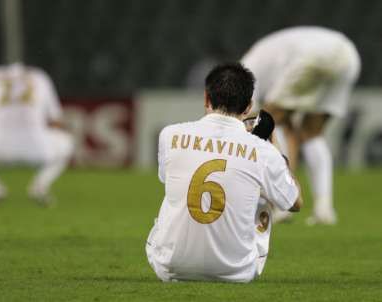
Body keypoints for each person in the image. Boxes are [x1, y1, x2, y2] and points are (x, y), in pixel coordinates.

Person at [146, 63, 303, 283]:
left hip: (168, 267)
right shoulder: (262, 150)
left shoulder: (169, 135)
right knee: (260, 187)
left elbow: (166, 178)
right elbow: (294, 203)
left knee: (174, 191)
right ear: (248, 107)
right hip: (236, 272)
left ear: (206, 99)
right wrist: (275, 150)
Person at [241, 26, 361, 225]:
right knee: (311, 132)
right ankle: (324, 210)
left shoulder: (246, 68)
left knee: (271, 120)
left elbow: (247, 115)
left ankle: (281, 204)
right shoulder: (263, 54)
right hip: (348, 56)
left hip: (313, 56)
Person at [0, 63, 74, 207]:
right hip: (37, 153)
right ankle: (40, 185)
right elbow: (56, 121)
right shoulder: (40, 76)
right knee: (67, 141)